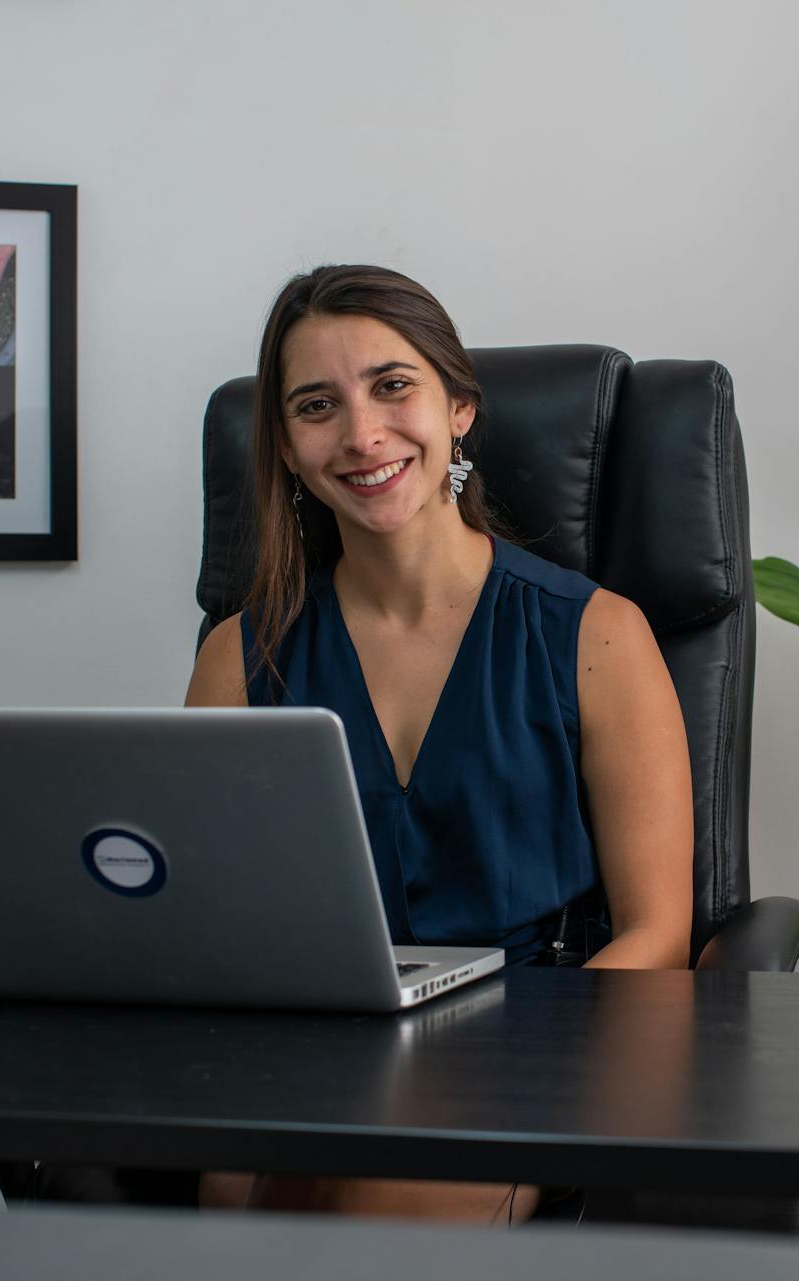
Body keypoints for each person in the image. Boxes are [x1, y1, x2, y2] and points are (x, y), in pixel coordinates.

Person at [183, 265, 694, 1223]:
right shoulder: (239, 658)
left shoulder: (599, 635)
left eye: (392, 386)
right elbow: (208, 925)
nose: (363, 435)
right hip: (316, 1054)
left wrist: (520, 1062)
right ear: (288, 450)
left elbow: (658, 933)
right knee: (251, 1178)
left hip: (532, 1053)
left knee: (354, 1187)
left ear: (458, 408)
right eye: (316, 405)